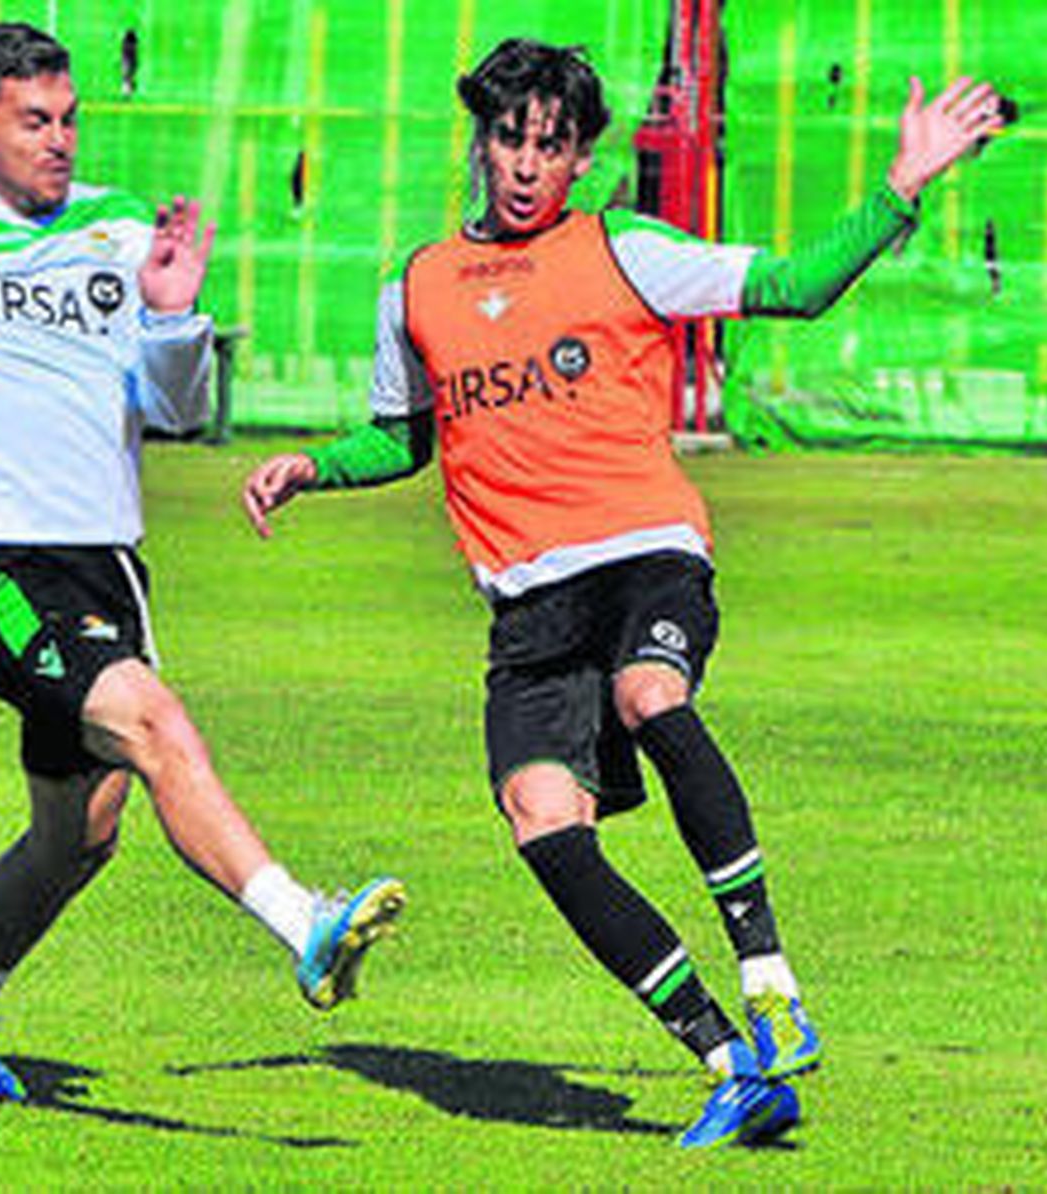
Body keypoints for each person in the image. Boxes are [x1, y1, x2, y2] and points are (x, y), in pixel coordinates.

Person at [243, 39, 1003, 1148]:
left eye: (550, 145)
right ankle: (727, 1059)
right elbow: (405, 435)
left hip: (644, 557)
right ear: (480, 138)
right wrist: (314, 465)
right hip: (528, 612)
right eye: (508, 137)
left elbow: (790, 288)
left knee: (653, 698)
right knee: (544, 826)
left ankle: (769, 978)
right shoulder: (415, 285)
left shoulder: (624, 248)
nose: (522, 165)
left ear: (582, 156)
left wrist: (902, 184)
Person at [0, 21, 405, 1100]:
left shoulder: (113, 228)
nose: (57, 141)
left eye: (66, 119)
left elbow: (175, 411)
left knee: (75, 840)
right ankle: (305, 921)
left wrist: (174, 317)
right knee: (157, 724)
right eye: (31, 122)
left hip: (111, 567)